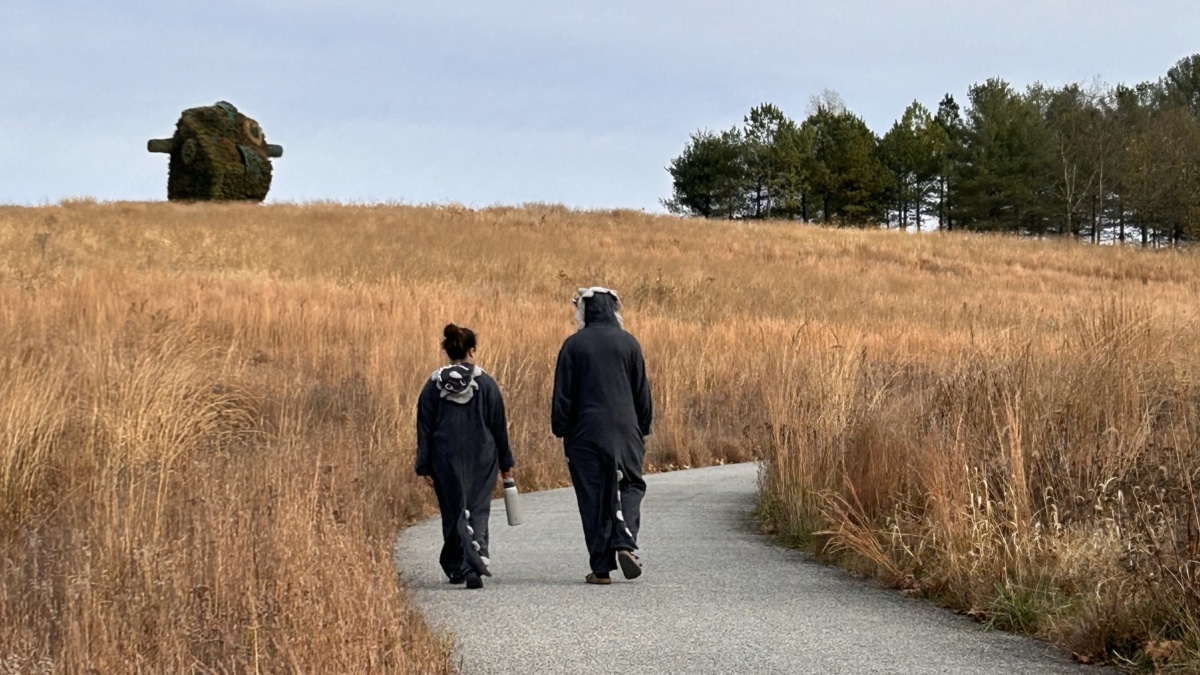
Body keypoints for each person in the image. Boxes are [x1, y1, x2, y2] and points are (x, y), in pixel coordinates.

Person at [551, 287, 653, 585]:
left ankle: (601, 569)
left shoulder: (573, 346)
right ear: (613, 310)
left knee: (593, 494)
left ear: (584, 311)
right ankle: (625, 539)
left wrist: (561, 429)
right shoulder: (629, 344)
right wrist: (642, 427)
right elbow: (641, 392)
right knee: (631, 484)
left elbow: (563, 395)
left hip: (585, 433)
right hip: (626, 429)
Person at [416, 323, 514, 589]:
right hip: (481, 456)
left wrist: (423, 465)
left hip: (444, 457)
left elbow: (424, 426)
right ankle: (475, 562)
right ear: (472, 350)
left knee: (453, 509)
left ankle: (455, 565)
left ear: (446, 350)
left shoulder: (433, 385)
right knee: (476, 508)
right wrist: (506, 463)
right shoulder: (485, 383)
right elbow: (498, 426)